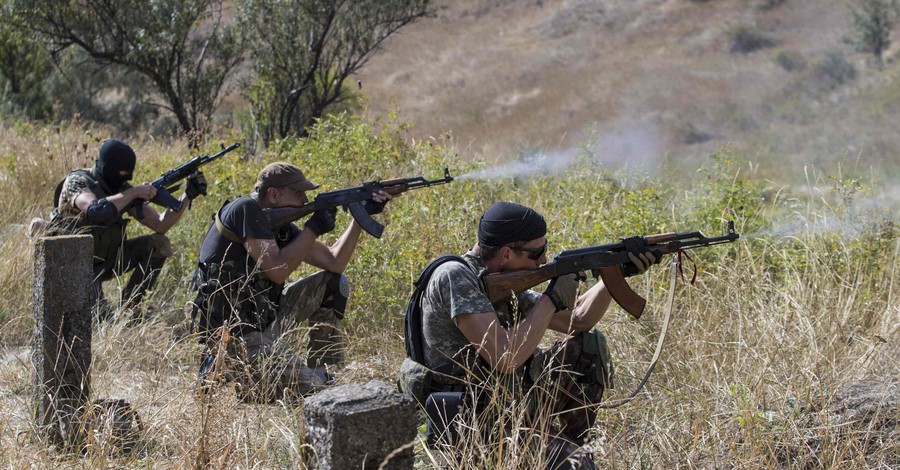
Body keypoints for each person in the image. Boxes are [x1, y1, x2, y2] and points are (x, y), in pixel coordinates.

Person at [399, 202, 657, 469]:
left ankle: (572, 444)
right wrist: (550, 300)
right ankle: (565, 456)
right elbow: (506, 358)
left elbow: (578, 321)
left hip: (506, 401)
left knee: (587, 347)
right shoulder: (455, 277)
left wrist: (613, 274)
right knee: (576, 465)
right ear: (507, 253)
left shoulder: (499, 277)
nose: (544, 260)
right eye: (537, 252)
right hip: (469, 421)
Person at [192, 162, 392, 402]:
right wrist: (313, 229)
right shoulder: (245, 209)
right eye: (298, 193)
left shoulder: (280, 226)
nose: (305, 199)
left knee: (333, 282)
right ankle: (228, 378)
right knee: (321, 395)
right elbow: (277, 271)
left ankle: (323, 369)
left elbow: (334, 262)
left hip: (266, 323)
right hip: (236, 339)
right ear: (274, 194)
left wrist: (360, 217)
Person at [46, 138, 206, 319]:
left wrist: (187, 196)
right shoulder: (78, 181)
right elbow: (94, 211)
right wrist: (134, 192)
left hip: (107, 261)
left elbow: (160, 224)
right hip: (75, 266)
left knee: (160, 244)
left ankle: (131, 309)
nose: (124, 180)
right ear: (106, 168)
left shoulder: (122, 189)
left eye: (128, 176)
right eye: (121, 173)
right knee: (99, 320)